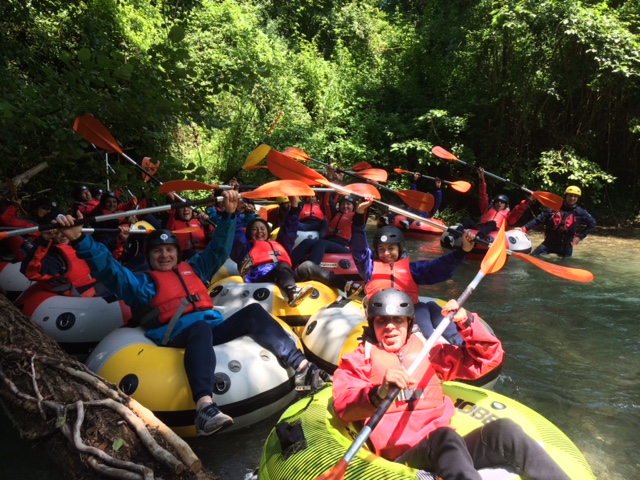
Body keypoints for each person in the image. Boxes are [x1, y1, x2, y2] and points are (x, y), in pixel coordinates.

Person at [54, 190, 332, 436]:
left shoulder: (194, 269)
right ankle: (204, 408)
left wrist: (229, 213)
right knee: (200, 329)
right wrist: (80, 240)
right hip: (176, 334)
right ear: (150, 257)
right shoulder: (141, 284)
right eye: (159, 252)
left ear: (177, 253)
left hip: (208, 329)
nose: (165, 255)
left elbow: (219, 249)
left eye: (169, 250)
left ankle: (303, 368)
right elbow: (109, 271)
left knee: (254, 313)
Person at [332, 288, 571, 480]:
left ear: (408, 323)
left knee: (504, 430)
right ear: (373, 325)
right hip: (403, 460)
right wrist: (378, 393)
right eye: (382, 321)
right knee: (443, 437)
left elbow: (486, 360)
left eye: (398, 320)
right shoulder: (358, 361)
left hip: (449, 451)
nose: (391, 326)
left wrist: (466, 323)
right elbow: (344, 406)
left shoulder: (428, 352)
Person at [351, 197, 475, 346]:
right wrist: (359, 215)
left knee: (431, 308)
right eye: (382, 250)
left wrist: (462, 251)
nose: (386, 253)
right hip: (388, 313)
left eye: (391, 249)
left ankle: (461, 344)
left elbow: (438, 267)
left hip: (412, 308)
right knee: (426, 330)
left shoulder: (412, 268)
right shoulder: (369, 268)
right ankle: (432, 348)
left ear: (399, 249)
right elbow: (359, 249)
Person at [231, 195, 364, 305]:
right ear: (249, 233)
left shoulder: (277, 244)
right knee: (282, 266)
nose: (259, 232)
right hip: (260, 279)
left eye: (262, 229)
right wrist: (233, 212)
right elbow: (235, 233)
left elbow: (288, 231)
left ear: (267, 232)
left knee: (308, 266)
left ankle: (347, 286)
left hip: (283, 275)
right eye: (255, 229)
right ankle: (292, 292)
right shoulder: (245, 247)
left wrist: (295, 208)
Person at [20, 211, 98, 297]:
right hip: (73, 301)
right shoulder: (55, 258)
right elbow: (30, 272)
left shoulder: (79, 246)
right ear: (51, 232)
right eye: (59, 231)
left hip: (92, 294)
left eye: (66, 229)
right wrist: (44, 240)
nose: (64, 235)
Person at [519, 185, 596, 257]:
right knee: (533, 256)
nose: (572, 198)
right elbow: (539, 220)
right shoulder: (554, 208)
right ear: (566, 196)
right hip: (549, 244)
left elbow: (592, 223)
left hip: (565, 247)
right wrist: (525, 228)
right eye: (570, 195)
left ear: (577, 198)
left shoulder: (580, 212)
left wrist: (580, 237)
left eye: (575, 196)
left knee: (565, 266)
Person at [290, 195, 356, 266]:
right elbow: (327, 202)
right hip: (330, 242)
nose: (345, 206)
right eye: (343, 204)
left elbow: (364, 212)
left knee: (321, 243)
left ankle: (310, 268)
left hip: (343, 246)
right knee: (307, 242)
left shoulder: (356, 219)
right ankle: (288, 264)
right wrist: (329, 188)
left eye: (348, 204)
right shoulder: (334, 215)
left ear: (354, 207)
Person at [0, 195, 59, 260]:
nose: (48, 211)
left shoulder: (47, 228)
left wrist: (14, 204)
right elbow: (6, 219)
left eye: (50, 210)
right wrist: (14, 205)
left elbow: (6, 219)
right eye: (45, 207)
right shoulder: (31, 224)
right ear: (36, 208)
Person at [163, 191, 214, 260]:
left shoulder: (200, 221)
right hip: (184, 256)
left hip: (204, 254)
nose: (185, 209)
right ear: (177, 211)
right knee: (190, 253)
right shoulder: (173, 224)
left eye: (188, 207)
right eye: (181, 208)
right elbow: (167, 220)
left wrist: (206, 226)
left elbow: (213, 240)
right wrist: (170, 202)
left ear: (192, 210)